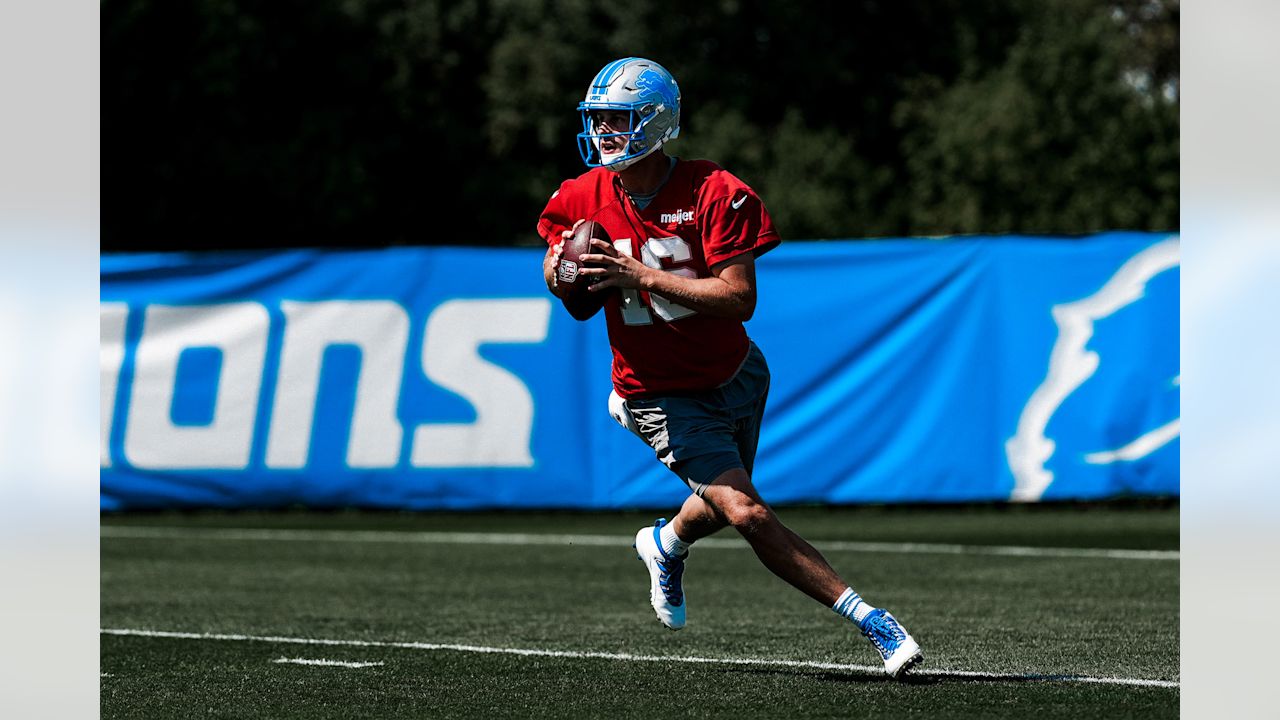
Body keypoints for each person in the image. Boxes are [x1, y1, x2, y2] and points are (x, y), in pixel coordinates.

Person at [536, 57, 923, 679]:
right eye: (599, 119)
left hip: (735, 372)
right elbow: (559, 273)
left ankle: (665, 543)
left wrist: (639, 275)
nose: (605, 132)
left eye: (620, 119)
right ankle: (874, 622)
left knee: (719, 501)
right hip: (657, 390)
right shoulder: (582, 196)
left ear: (658, 123)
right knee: (748, 510)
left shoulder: (715, 190)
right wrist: (562, 274)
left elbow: (739, 298)